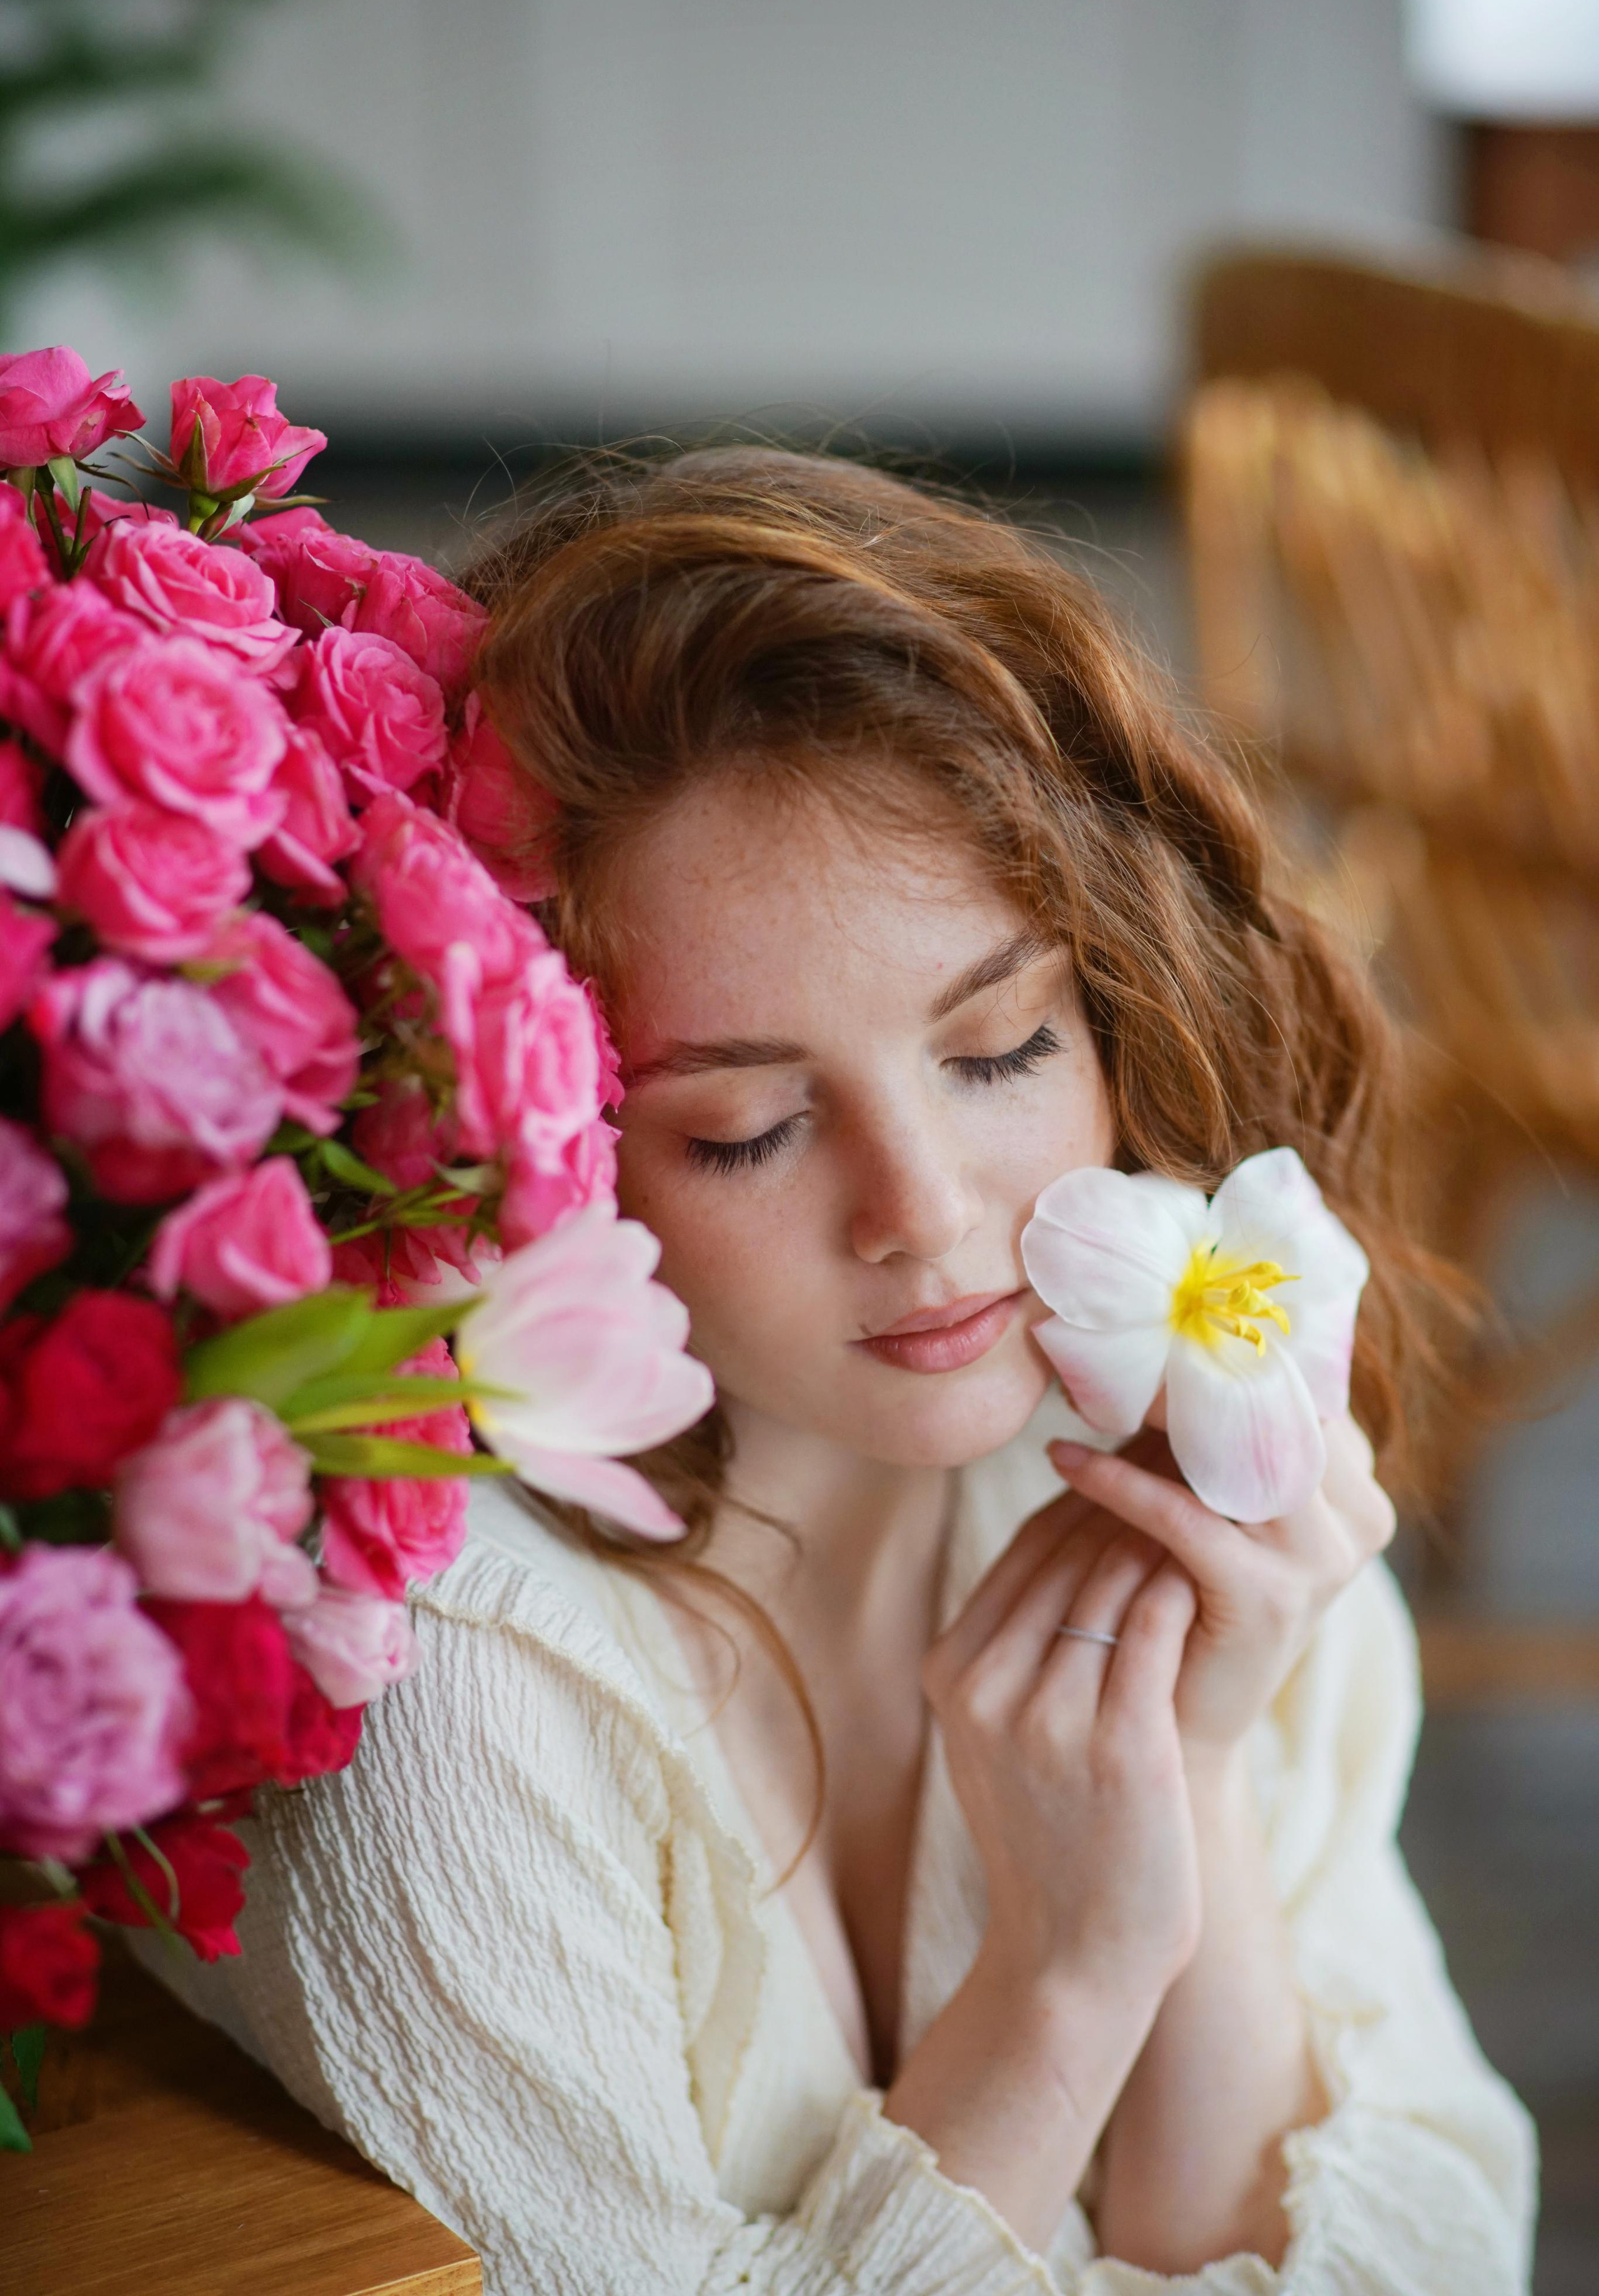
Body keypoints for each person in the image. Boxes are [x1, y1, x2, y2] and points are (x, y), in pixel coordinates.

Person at [152, 450, 1537, 2292]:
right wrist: (1063, 1979)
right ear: (512, 1139)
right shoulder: (447, 1682)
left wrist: (1188, 1793)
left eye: (1000, 1049)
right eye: (748, 1128)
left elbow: (1433, 2245)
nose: (930, 1213)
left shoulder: (1182, 1448)